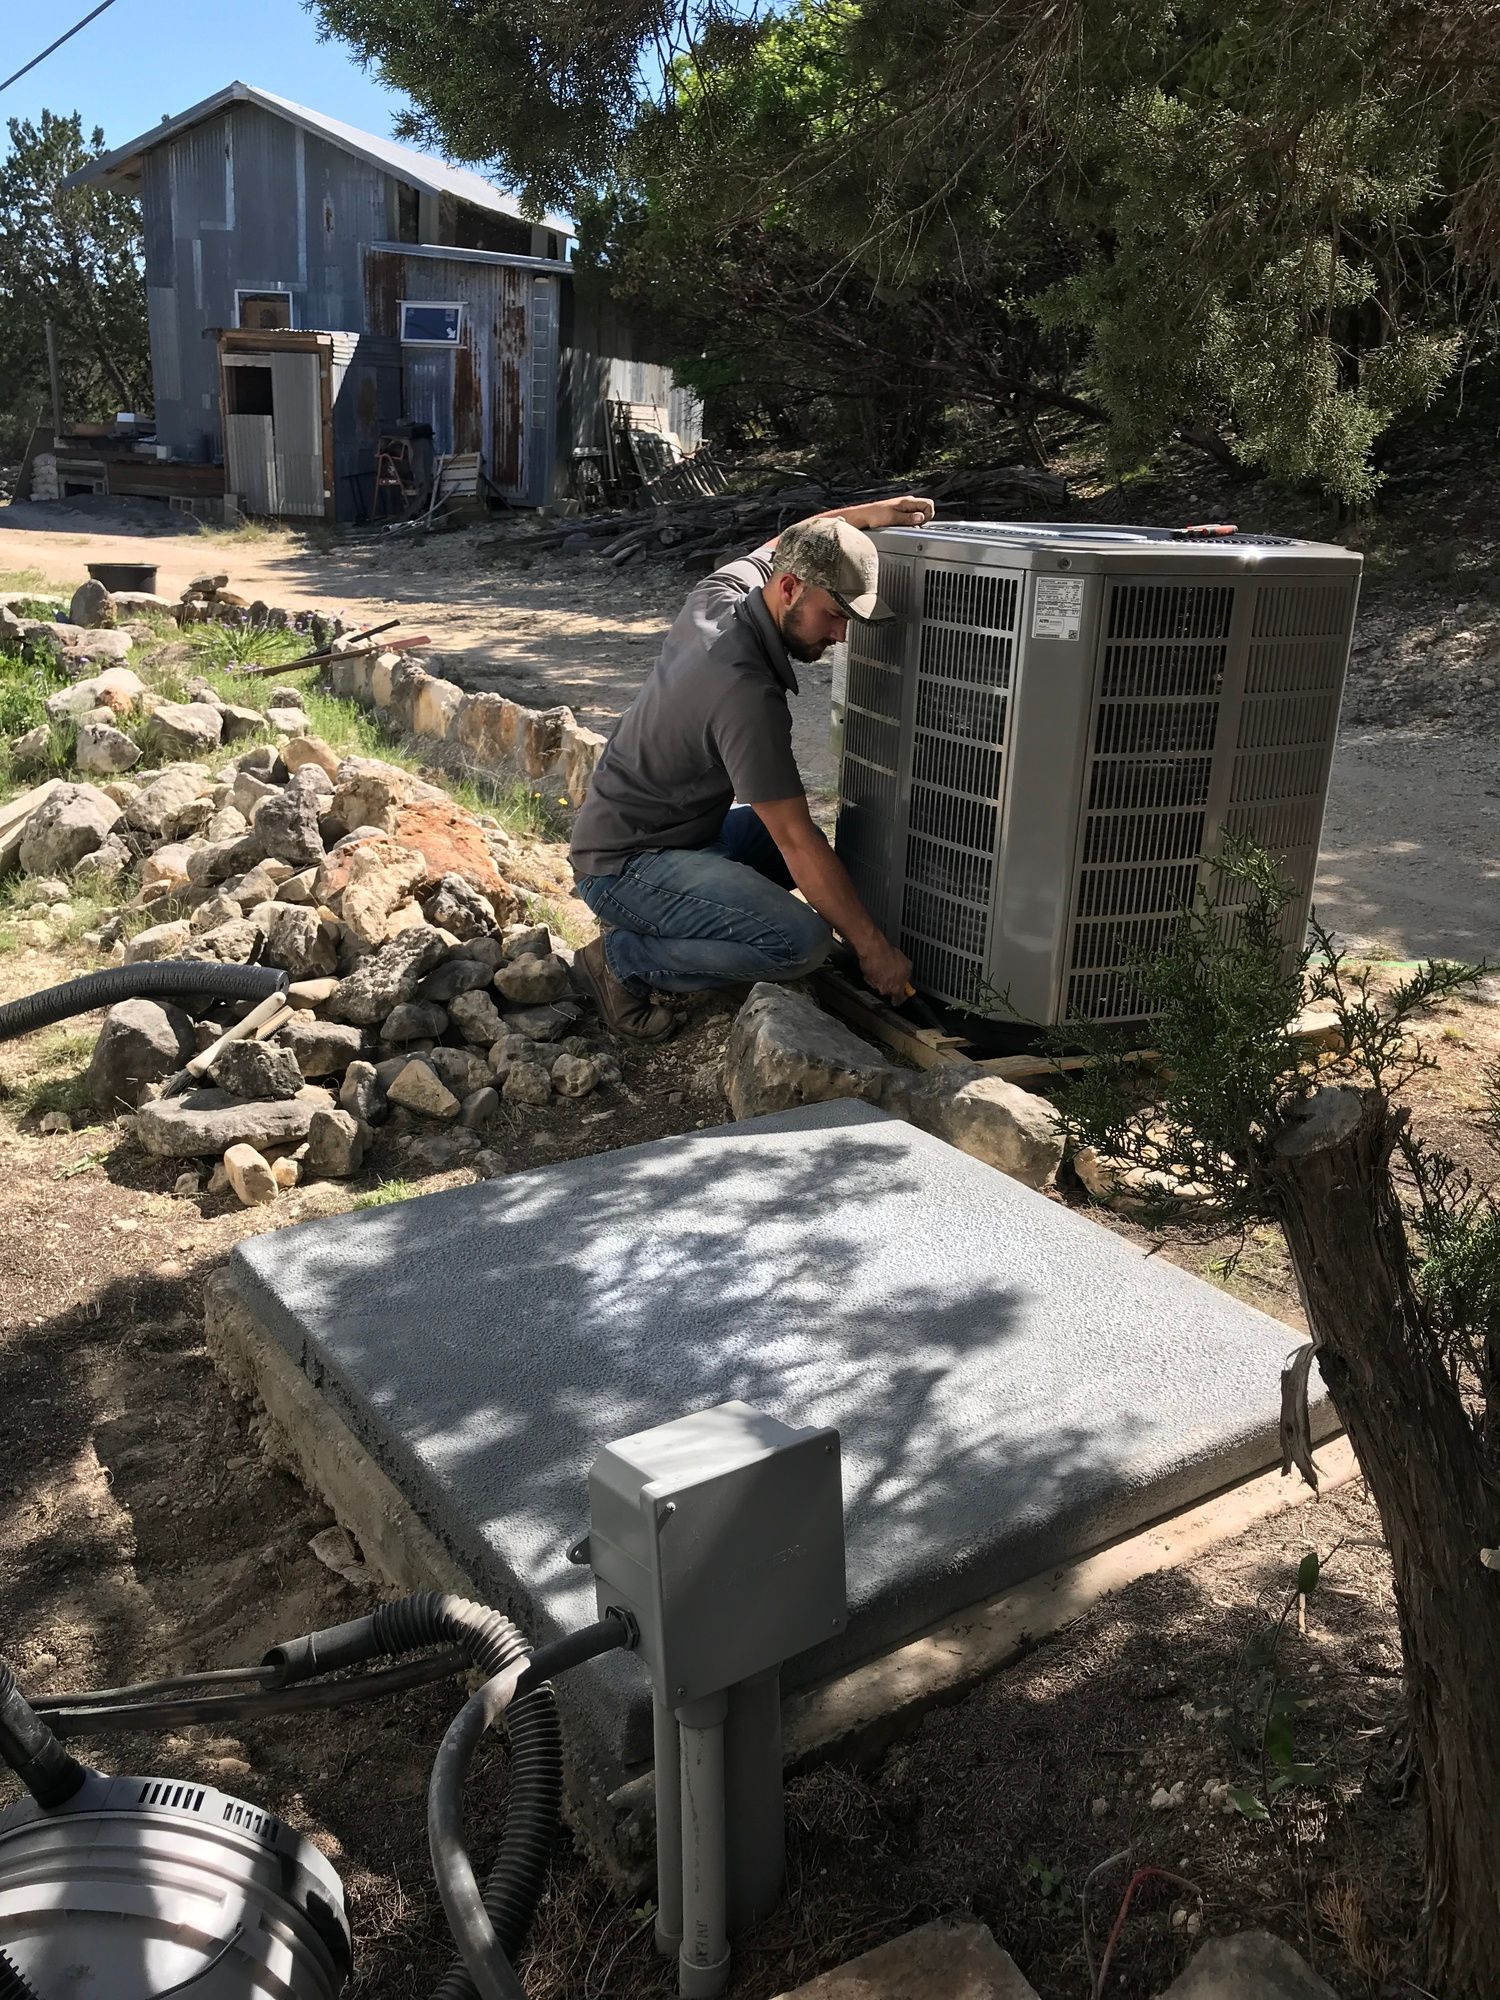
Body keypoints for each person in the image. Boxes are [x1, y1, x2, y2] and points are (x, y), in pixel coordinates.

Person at [568, 496, 934, 1040]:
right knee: (802, 943)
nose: (840, 636)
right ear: (790, 589)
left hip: (677, 832)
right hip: (627, 864)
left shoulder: (726, 593)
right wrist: (872, 949)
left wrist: (871, 514)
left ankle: (675, 916)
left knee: (826, 863)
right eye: (835, 616)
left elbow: (794, 534)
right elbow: (793, 838)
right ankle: (623, 959)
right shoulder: (744, 691)